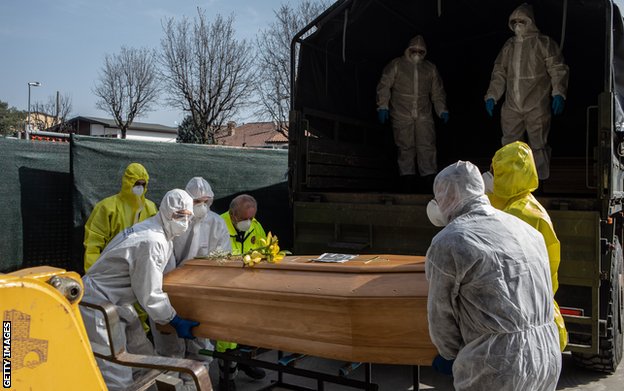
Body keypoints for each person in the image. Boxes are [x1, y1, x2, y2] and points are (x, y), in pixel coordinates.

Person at [425, 161, 561, 390]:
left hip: (498, 363)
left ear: (446, 197)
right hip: (546, 355)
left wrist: (452, 354)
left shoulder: (448, 242)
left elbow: (440, 315)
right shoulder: (526, 230)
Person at [80, 189, 200, 390]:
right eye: (179, 215)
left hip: (118, 301)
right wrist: (173, 319)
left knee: (144, 359)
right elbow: (150, 293)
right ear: (165, 211)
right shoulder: (152, 241)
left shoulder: (158, 232)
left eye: (188, 217)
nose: (184, 222)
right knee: (117, 373)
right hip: (98, 304)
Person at [483, 141, 568, 351]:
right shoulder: (519, 203)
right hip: (531, 309)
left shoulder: (520, 214)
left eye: (496, 172)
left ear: (510, 177)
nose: (490, 176)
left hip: (522, 313)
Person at [151, 178, 232, 387]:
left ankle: (193, 386)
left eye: (206, 201)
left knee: (200, 350)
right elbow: (163, 266)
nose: (202, 206)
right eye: (197, 201)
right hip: (169, 292)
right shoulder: (174, 223)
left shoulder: (216, 223)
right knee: (169, 351)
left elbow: (224, 258)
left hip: (200, 295)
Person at [485, 3, 569, 180]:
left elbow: (557, 68)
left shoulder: (543, 43)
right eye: (514, 21)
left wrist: (558, 93)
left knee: (538, 144)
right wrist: (492, 95)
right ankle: (512, 181)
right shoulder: (509, 45)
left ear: (530, 21)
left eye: (521, 20)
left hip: (536, 103)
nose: (517, 24)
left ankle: (539, 183)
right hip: (511, 105)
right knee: (509, 145)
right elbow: (499, 72)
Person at [376, 35, 449, 192]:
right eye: (414, 50)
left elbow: (437, 92)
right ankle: (407, 180)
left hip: (424, 114)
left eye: (420, 51)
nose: (417, 53)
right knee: (405, 146)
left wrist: (442, 110)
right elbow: (384, 86)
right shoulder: (397, 65)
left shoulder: (429, 68)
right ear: (408, 49)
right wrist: (383, 106)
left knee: (427, 146)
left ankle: (428, 180)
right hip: (401, 112)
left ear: (425, 52)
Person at [218, 194, 268, 385]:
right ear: (232, 214)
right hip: (225, 287)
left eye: (251, 218)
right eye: (244, 218)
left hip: (249, 287)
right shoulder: (218, 225)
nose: (249, 222)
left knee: (250, 328)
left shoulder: (255, 225)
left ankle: (245, 361)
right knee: (227, 335)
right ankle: (226, 377)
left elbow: (264, 250)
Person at [83, 162, 158, 272]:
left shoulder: (150, 208)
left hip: (140, 267)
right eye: (136, 183)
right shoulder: (107, 207)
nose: (139, 187)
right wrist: (93, 272)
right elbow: (93, 243)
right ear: (127, 182)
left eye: (143, 184)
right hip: (110, 267)